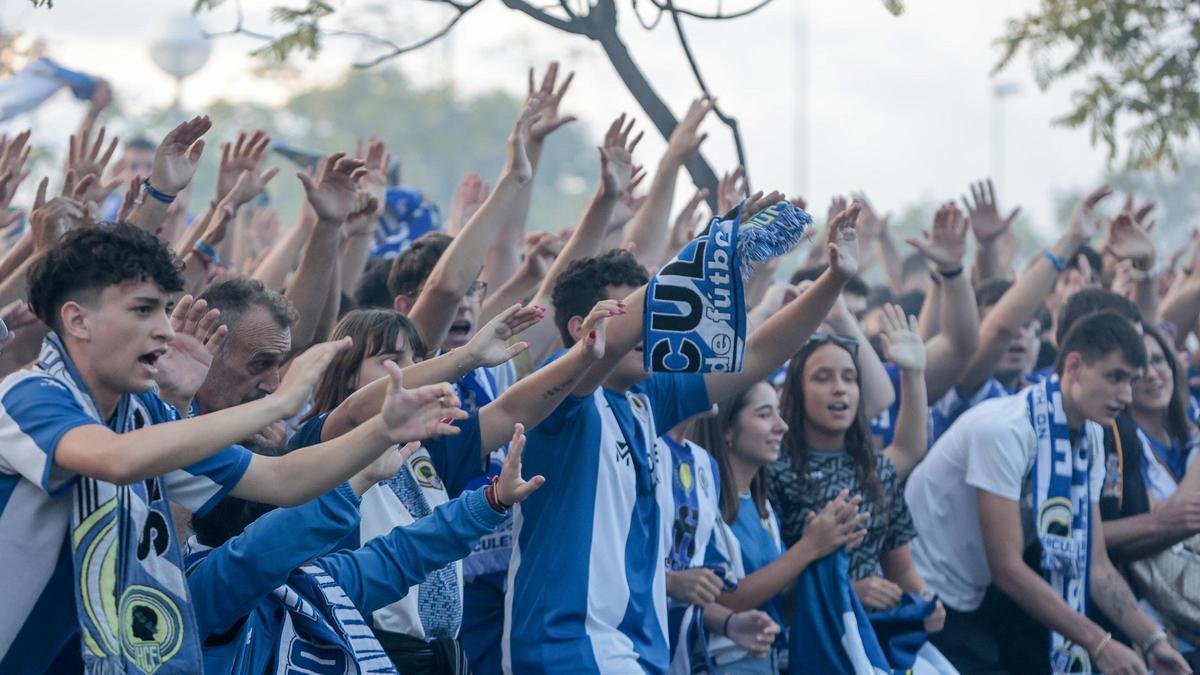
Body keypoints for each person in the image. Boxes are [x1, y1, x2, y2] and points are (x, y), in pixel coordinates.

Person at [0, 223, 464, 672]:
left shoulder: (145, 415)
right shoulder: (30, 394)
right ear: (78, 320)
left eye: (165, 310)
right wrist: (278, 404)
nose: (163, 329)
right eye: (143, 310)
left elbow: (282, 481)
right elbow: (115, 460)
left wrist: (383, 431)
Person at [503, 198, 861, 674]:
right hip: (566, 647)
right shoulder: (560, 393)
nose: (649, 329)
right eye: (633, 314)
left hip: (640, 650)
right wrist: (711, 249)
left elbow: (757, 354)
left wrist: (833, 280)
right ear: (579, 328)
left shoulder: (648, 397)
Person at [290, 299, 619, 672]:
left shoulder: (427, 446)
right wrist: (470, 356)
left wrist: (583, 356)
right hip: (357, 650)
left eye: (418, 358)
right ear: (347, 374)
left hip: (439, 656)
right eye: (391, 358)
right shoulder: (319, 440)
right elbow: (353, 411)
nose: (413, 370)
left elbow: (511, 411)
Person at [906, 311, 1191, 674]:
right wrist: (1099, 643)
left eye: (1131, 381)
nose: (1125, 395)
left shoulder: (1091, 438)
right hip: (923, 596)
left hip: (975, 600)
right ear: (1074, 366)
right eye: (1114, 377)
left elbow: (1096, 564)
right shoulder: (1005, 430)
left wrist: (1153, 641)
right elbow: (1006, 568)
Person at [187, 423, 544, 674]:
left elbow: (400, 555)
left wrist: (490, 501)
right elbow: (261, 549)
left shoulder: (309, 583)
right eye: (298, 492)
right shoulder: (203, 586)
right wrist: (360, 480)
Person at [767, 304, 944, 627]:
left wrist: (925, 600)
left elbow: (901, 569)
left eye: (849, 378)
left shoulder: (875, 470)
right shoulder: (772, 471)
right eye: (822, 378)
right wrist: (846, 592)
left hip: (873, 638)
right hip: (804, 643)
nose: (839, 388)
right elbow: (767, 586)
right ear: (796, 392)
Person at [690, 380, 865, 673]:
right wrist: (808, 548)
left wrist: (825, 552)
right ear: (728, 429)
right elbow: (725, 599)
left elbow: (781, 607)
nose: (781, 426)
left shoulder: (763, 509)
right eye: (764, 414)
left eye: (779, 413)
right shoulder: (704, 504)